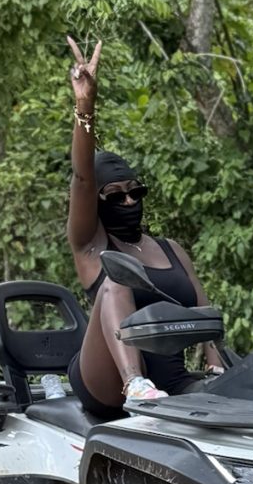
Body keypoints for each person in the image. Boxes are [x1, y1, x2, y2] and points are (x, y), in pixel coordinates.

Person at [63, 37, 224, 419]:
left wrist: (218, 368)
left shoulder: (171, 249)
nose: (130, 202)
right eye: (116, 196)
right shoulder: (91, 245)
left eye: (136, 192)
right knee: (118, 279)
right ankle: (134, 381)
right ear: (99, 204)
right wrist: (85, 105)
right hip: (105, 381)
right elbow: (84, 179)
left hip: (171, 378)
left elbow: (203, 313)